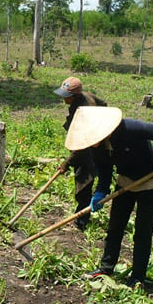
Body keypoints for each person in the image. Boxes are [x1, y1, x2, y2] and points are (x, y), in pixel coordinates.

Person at [64, 106, 153, 289]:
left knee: (142, 232)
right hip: (125, 182)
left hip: (149, 182)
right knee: (115, 226)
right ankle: (106, 268)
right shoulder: (96, 147)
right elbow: (104, 169)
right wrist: (101, 191)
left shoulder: (128, 128)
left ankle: (138, 277)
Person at [53, 76, 107, 230]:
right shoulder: (84, 97)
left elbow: (81, 147)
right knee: (83, 181)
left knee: (83, 183)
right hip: (87, 143)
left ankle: (81, 220)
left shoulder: (85, 110)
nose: (63, 99)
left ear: (75, 95)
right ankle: (81, 215)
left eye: (66, 96)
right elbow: (104, 104)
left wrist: (66, 163)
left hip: (90, 148)